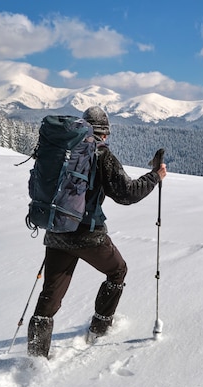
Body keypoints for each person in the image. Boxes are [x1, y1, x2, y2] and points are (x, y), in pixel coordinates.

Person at [27, 106, 167, 358]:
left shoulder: (65, 152)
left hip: (57, 229)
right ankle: (100, 327)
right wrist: (155, 176)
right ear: (105, 133)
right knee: (117, 270)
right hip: (88, 234)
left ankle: (36, 356)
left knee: (50, 295)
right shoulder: (101, 155)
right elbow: (127, 194)